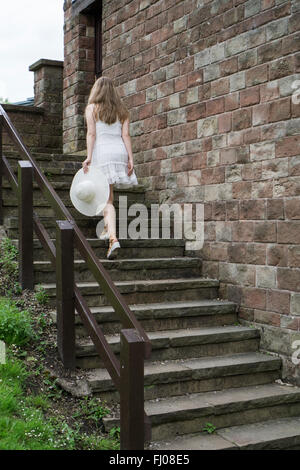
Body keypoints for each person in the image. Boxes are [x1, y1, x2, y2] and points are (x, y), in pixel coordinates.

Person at [82, 76, 138, 259]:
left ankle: (113, 238)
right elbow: (126, 135)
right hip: (119, 152)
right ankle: (107, 228)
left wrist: (89, 157)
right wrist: (130, 158)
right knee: (108, 195)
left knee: (105, 200)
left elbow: (91, 134)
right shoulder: (122, 111)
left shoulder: (91, 109)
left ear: (96, 90)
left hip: (102, 152)